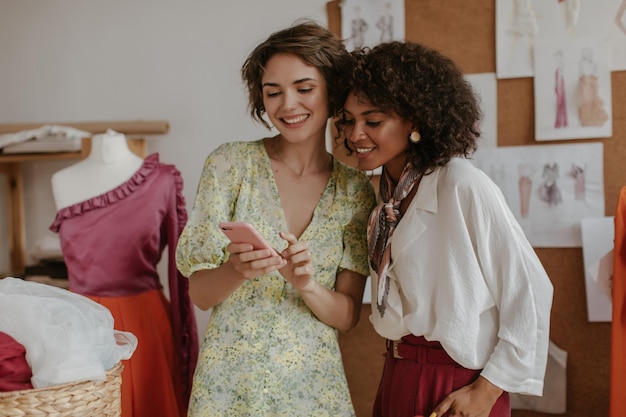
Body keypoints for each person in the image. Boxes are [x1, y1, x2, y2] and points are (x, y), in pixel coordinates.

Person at [339, 41, 554, 417]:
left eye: (372, 121)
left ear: (416, 121)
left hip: (458, 384)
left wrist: (486, 392)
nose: (355, 134)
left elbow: (530, 291)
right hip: (396, 373)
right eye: (348, 120)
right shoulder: (379, 198)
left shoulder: (460, 183)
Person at [175, 21, 376, 417]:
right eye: (273, 92)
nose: (288, 105)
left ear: (332, 91)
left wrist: (307, 285)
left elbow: (348, 315)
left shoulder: (355, 190)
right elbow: (199, 295)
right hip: (228, 388)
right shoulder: (229, 165)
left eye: (304, 89)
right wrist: (237, 269)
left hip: (314, 389)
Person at [50, 129, 198, 417]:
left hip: (144, 323)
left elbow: (181, 267)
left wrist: (186, 337)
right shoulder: (62, 180)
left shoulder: (162, 180)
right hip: (82, 325)